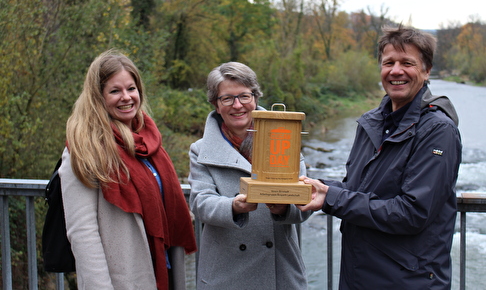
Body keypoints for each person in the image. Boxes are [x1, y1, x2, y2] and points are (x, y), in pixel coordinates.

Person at [298, 25, 462, 289]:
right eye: (389, 63)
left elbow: (412, 212)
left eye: (407, 63)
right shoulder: (371, 123)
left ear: (426, 70)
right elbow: (357, 190)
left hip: (407, 281)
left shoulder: (437, 130)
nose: (396, 71)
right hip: (360, 273)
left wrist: (332, 197)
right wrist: (315, 189)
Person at [59, 49, 197, 290]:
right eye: (115, 91)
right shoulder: (84, 149)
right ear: (98, 97)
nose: (126, 97)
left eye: (131, 89)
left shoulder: (149, 141)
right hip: (122, 279)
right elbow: (82, 234)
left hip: (163, 269)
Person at [188, 62, 312, 289]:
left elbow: (304, 206)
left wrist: (283, 208)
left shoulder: (285, 136)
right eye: (227, 98)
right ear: (216, 104)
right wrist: (233, 207)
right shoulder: (200, 150)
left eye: (244, 96)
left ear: (255, 98)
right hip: (226, 275)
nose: (237, 105)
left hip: (280, 273)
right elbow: (200, 203)